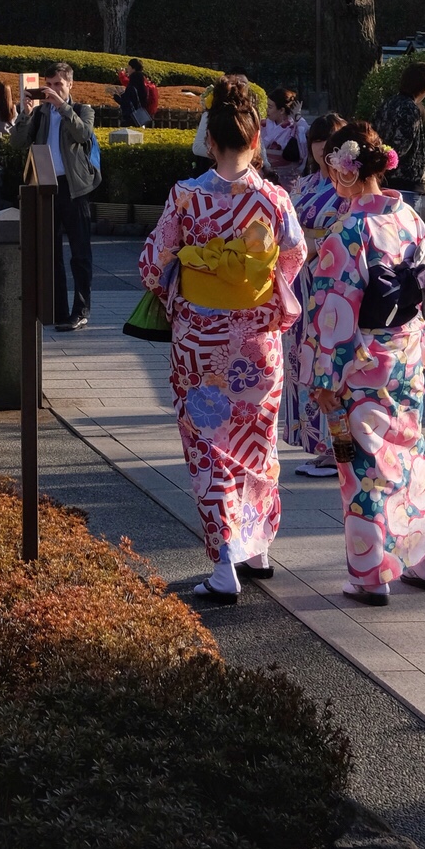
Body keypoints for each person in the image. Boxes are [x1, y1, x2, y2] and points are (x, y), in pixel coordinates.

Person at [139, 74, 305, 604]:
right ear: (256, 141)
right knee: (255, 444)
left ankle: (227, 560)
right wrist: (259, 291)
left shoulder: (186, 198)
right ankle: (256, 549)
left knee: (210, 445)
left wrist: (185, 288)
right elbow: (295, 255)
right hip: (257, 342)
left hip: (201, 345)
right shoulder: (275, 199)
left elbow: (152, 264)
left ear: (209, 140)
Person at [305, 121, 425, 606]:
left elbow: (332, 311)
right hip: (406, 360)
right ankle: (422, 560)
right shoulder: (411, 220)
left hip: (361, 367)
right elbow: (423, 293)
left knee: (361, 465)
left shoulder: (349, 231)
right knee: (409, 454)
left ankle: (370, 576)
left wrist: (324, 378)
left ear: (344, 172)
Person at [280, 112, 350, 479]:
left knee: (329, 366)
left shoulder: (347, 191)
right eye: (318, 149)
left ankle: (338, 450)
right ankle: (320, 447)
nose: (324, 157)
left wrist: (312, 241)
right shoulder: (305, 184)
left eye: (330, 150)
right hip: (301, 284)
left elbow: (345, 235)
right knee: (302, 364)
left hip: (332, 287)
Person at [10, 59, 99, 330]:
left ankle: (81, 309)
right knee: (51, 253)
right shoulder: (40, 114)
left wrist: (62, 105)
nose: (51, 90)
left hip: (74, 189)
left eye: (58, 84)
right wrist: (25, 113)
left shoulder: (83, 109)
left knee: (80, 253)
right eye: (47, 85)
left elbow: (83, 134)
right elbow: (16, 142)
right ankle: (58, 309)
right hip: (45, 189)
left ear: (70, 85)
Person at [374, 61, 425, 199]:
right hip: (406, 184)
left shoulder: (387, 104)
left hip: (383, 180)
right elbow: (401, 146)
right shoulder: (410, 108)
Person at [261, 88, 308, 190]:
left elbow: (305, 141)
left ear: (281, 110)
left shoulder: (296, 126)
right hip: (265, 177)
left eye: (270, 107)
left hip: (288, 179)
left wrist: (298, 118)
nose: (267, 110)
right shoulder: (263, 125)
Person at [116, 57, 161, 129]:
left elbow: (128, 86)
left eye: (129, 67)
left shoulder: (136, 78)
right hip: (148, 112)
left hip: (140, 113)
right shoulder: (144, 78)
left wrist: (121, 74)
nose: (127, 69)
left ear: (133, 68)